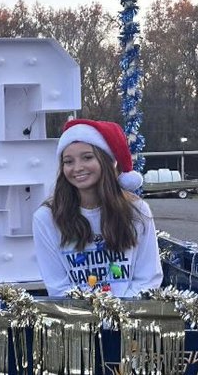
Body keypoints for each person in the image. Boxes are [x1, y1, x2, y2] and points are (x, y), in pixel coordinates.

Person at [32, 118, 163, 297]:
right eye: (68, 161)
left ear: (107, 161)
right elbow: (58, 287)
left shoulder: (137, 210)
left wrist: (117, 316)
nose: (77, 168)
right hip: (78, 320)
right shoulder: (46, 217)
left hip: (129, 319)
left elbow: (148, 278)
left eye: (87, 157)